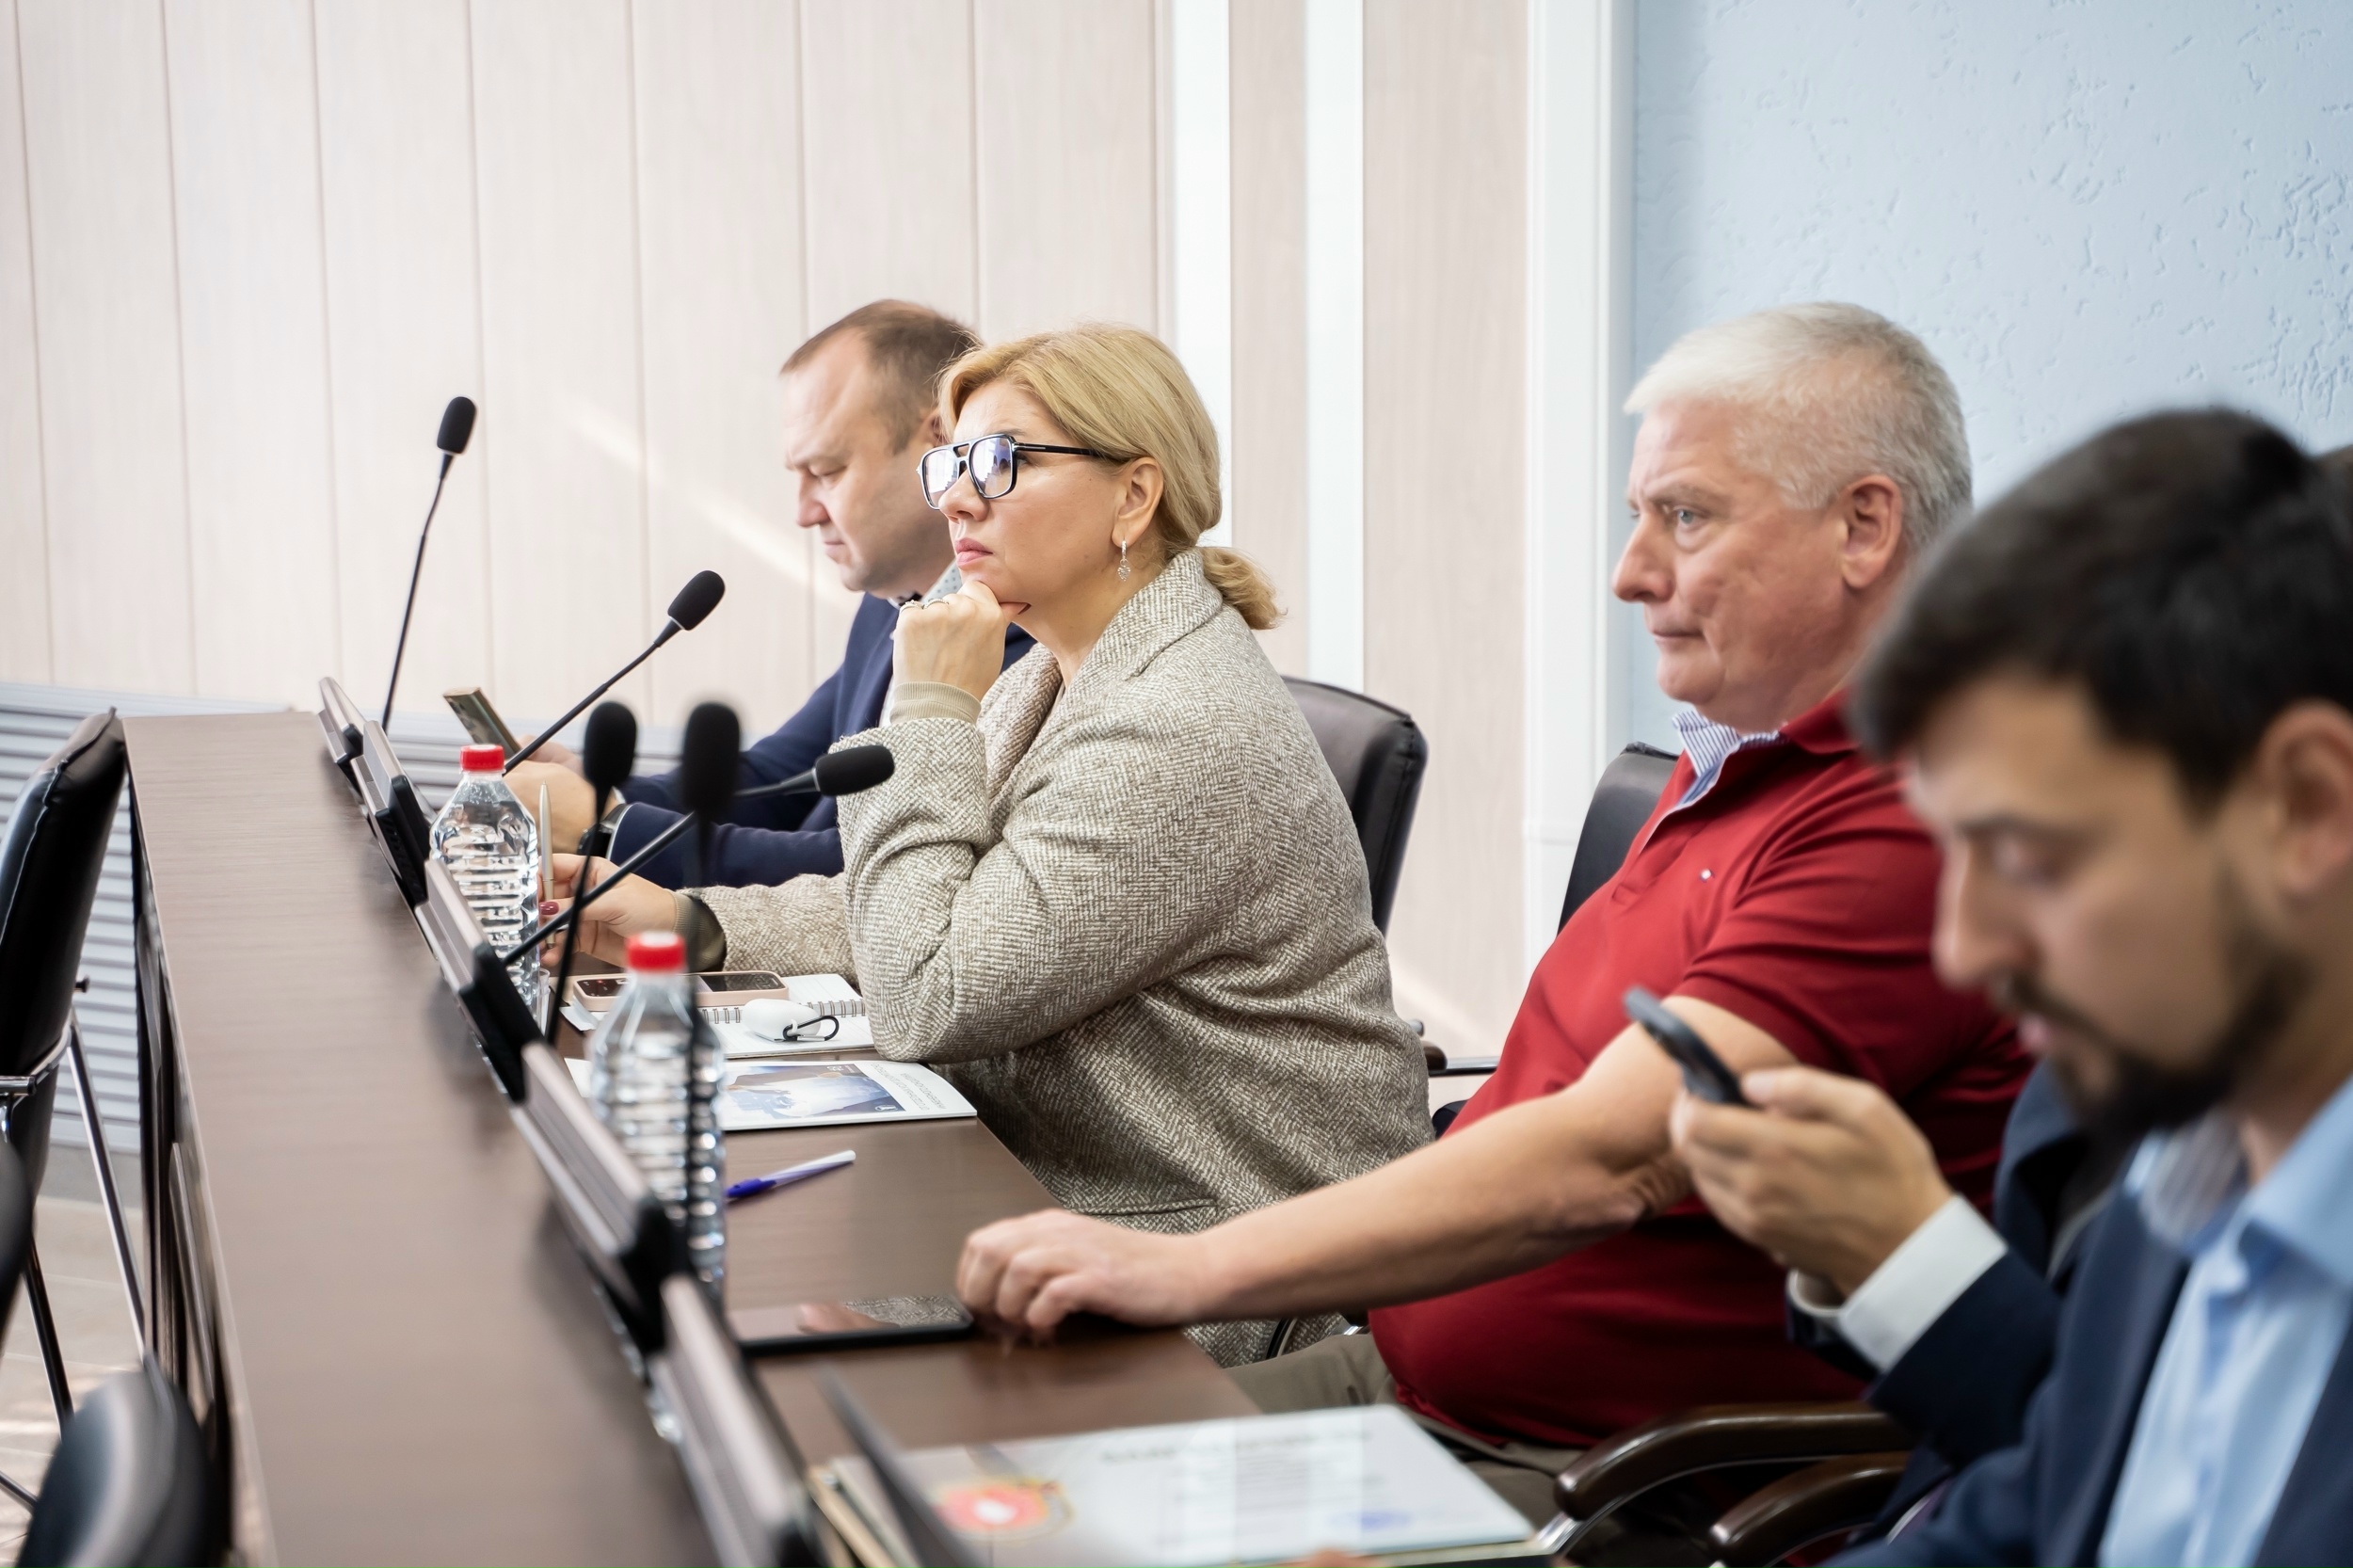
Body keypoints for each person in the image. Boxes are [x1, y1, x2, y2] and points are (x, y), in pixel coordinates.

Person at [952, 303, 2029, 1523]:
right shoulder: (1741, 754)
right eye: (1639, 516)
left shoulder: (1904, 819)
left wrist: (1185, 1268)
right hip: (1419, 1387)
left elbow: (1612, 1157)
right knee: (963, 1487)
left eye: (1685, 517)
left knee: (1019, 1525)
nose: (1630, 572)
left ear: (1864, 527)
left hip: (1599, 1473)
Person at [549, 324, 1433, 1366]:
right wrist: (692, 921)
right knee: (702, 1278)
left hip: (1220, 1250)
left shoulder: (1175, 726)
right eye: (951, 463)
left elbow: (929, 991)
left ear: (1133, 497)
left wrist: (930, 707)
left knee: (732, 1318)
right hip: (1068, 1183)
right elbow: (928, 903)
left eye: (1001, 461)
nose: (958, 500)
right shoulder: (1059, 668)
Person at [1801, 409, 2353, 1564]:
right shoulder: (2178, 1182)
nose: (1962, 949)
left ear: (2307, 805)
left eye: (2029, 857)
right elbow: (2023, 1520)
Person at [510, 300, 1032, 889]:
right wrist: (596, 787)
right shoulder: (892, 605)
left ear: (940, 440)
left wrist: (608, 826)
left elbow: (869, 871)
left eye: (827, 472)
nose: (804, 513)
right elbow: (775, 778)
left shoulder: (1022, 635)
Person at [1674, 1059, 2110, 1535]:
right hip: (1933, 1511)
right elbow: (2037, 1319)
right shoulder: (2078, 1081)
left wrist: (1906, 1260)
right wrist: (1853, 1256)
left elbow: (2101, 1467)